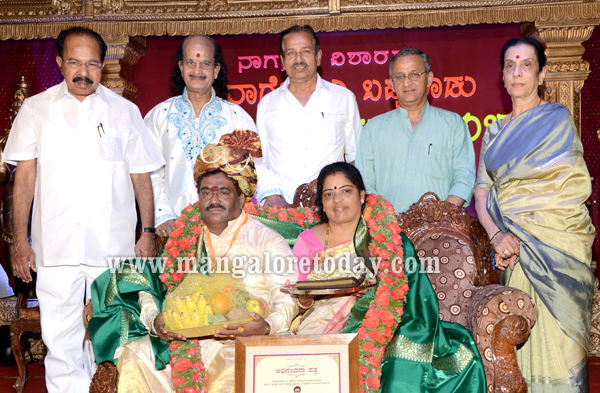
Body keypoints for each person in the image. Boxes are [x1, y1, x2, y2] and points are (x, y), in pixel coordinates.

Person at [4, 27, 164, 392]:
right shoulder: (36, 109)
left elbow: (142, 177)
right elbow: (24, 179)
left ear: (102, 65)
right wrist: (20, 241)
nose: (83, 72)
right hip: (54, 247)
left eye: (92, 63)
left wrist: (148, 231)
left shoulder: (125, 111)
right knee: (60, 342)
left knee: (111, 339)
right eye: (74, 62)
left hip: (111, 250)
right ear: (60, 62)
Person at [89, 130, 298, 393]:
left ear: (242, 198)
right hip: (186, 338)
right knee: (135, 355)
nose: (214, 200)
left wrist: (266, 326)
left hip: (243, 340)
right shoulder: (185, 238)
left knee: (231, 369)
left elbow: (287, 295)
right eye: (206, 192)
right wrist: (156, 321)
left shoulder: (266, 240)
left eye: (224, 192)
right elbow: (155, 289)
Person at [293, 162, 486, 392]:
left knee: (399, 365)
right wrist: (305, 297)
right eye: (328, 194)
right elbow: (297, 297)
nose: (337, 200)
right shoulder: (308, 241)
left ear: (362, 196)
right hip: (323, 322)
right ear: (322, 204)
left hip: (388, 319)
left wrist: (375, 293)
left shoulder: (386, 235)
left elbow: (412, 289)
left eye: (346, 190)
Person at [474, 37, 595, 392]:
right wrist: (498, 235)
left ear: (541, 74)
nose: (517, 72)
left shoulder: (556, 119)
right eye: (510, 65)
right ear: (502, 75)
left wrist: (529, 228)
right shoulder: (493, 133)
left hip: (559, 247)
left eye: (526, 64)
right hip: (513, 252)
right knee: (519, 336)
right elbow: (482, 193)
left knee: (560, 341)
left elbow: (573, 185)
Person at [145, 35, 256, 239]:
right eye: (190, 63)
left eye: (205, 63)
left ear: (216, 70)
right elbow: (150, 173)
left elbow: (252, 174)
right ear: (181, 67)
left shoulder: (237, 117)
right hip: (172, 230)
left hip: (227, 231)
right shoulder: (158, 116)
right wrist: (163, 216)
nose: (197, 71)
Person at [356, 48, 475, 213]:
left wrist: (444, 215)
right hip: (389, 231)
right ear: (391, 84)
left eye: (414, 74)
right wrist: (384, 221)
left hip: (441, 228)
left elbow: (464, 177)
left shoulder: (453, 124)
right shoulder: (373, 129)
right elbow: (365, 183)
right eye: (399, 77)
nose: (406, 82)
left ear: (429, 78)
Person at [255, 25, 362, 207]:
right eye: (290, 53)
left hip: (333, 209)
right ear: (282, 60)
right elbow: (259, 159)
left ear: (318, 56)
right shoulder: (267, 104)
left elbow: (356, 155)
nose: (298, 59)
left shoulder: (343, 98)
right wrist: (271, 194)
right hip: (282, 211)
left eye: (305, 51)